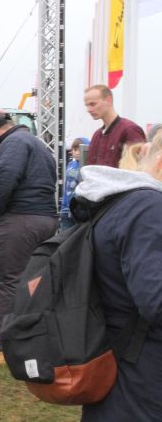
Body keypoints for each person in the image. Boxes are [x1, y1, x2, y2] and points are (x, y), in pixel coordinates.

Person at [75, 136, 162, 421]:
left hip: (123, 358)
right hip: (141, 371)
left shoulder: (126, 202)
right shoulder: (148, 209)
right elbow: (156, 301)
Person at [0, 116, 58, 351]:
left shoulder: (13, 143)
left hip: (19, 219)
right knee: (32, 280)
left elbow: (5, 176)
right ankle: (32, 332)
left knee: (7, 280)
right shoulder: (37, 144)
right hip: (44, 217)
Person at [84, 84, 146, 168]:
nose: (89, 110)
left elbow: (140, 168)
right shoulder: (96, 136)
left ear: (108, 100)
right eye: (87, 105)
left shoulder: (130, 130)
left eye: (93, 104)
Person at [59, 136, 89, 230]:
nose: (76, 152)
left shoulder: (88, 167)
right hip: (66, 208)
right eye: (74, 149)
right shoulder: (70, 165)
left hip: (80, 209)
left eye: (79, 149)